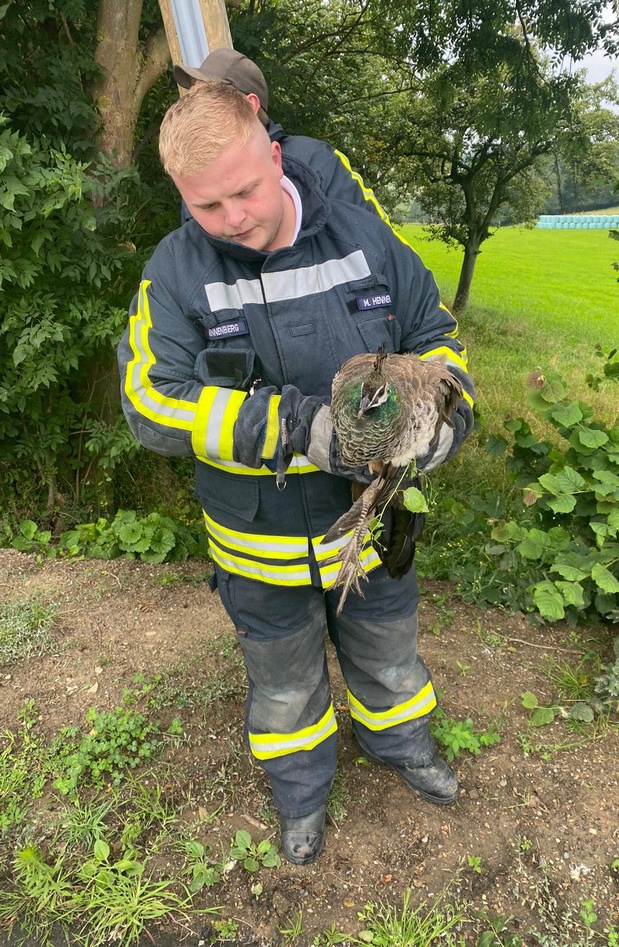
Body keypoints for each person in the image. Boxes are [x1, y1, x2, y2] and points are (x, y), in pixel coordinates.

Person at [117, 82, 475, 866]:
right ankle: (302, 795)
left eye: (244, 190)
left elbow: (436, 338)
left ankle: (402, 746)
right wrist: (290, 427)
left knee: (389, 655)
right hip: (259, 546)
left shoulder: (363, 235)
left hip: (375, 529)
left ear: (273, 153)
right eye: (207, 207)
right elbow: (150, 401)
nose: (234, 218)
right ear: (183, 197)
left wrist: (441, 424)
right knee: (284, 688)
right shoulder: (175, 273)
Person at [173, 47, 390, 224]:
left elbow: (383, 242)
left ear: (249, 106)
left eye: (208, 97)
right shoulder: (197, 177)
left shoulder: (318, 161)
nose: (195, 105)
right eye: (210, 206)